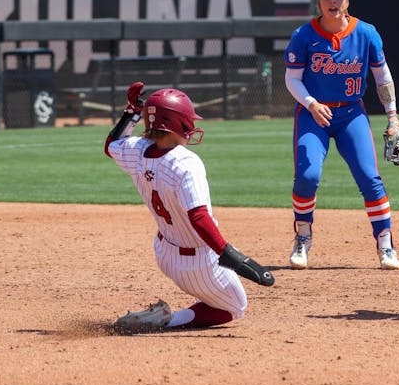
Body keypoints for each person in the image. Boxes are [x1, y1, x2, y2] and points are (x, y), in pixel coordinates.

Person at [105, 82, 274, 331]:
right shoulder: (185, 162)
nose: (191, 126)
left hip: (165, 252)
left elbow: (111, 146)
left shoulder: (137, 150)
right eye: (187, 121)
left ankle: (202, 293)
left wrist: (132, 112)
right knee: (234, 307)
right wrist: (232, 257)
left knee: (212, 293)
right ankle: (162, 320)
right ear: (174, 124)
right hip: (197, 262)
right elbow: (198, 217)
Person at [284, 0, 399, 270]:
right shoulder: (303, 35)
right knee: (308, 175)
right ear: (319, 2)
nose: (333, 2)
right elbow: (292, 79)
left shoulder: (366, 34)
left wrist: (393, 117)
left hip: (351, 113)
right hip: (313, 114)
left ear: (347, 2)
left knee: (369, 176)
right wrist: (311, 104)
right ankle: (302, 236)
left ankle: (385, 244)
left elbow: (383, 78)